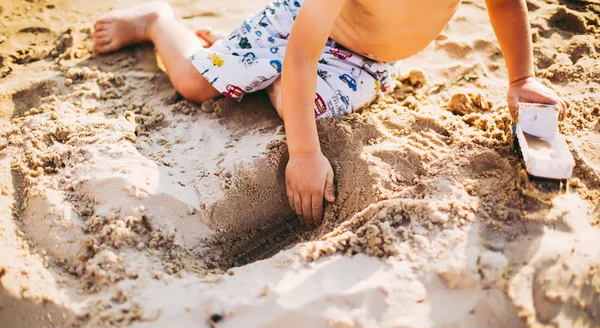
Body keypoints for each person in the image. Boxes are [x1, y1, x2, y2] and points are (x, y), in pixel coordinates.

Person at [93, 0, 567, 228]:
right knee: (196, 85)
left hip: (365, 58)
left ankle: (250, 65)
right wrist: (303, 154)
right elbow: (300, 53)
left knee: (310, 106)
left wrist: (520, 79)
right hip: (298, 29)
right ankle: (158, 22)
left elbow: (505, 3)